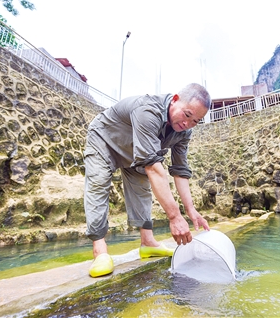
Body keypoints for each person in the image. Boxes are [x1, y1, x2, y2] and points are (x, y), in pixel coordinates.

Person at [83, 83, 212, 277]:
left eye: (195, 121)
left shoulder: (184, 132)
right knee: (98, 184)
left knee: (142, 189)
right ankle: (99, 252)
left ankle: (148, 243)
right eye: (187, 115)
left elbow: (180, 171)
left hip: (135, 150)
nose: (188, 124)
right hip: (104, 140)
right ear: (175, 99)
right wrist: (175, 217)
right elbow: (153, 167)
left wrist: (191, 210)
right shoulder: (148, 111)